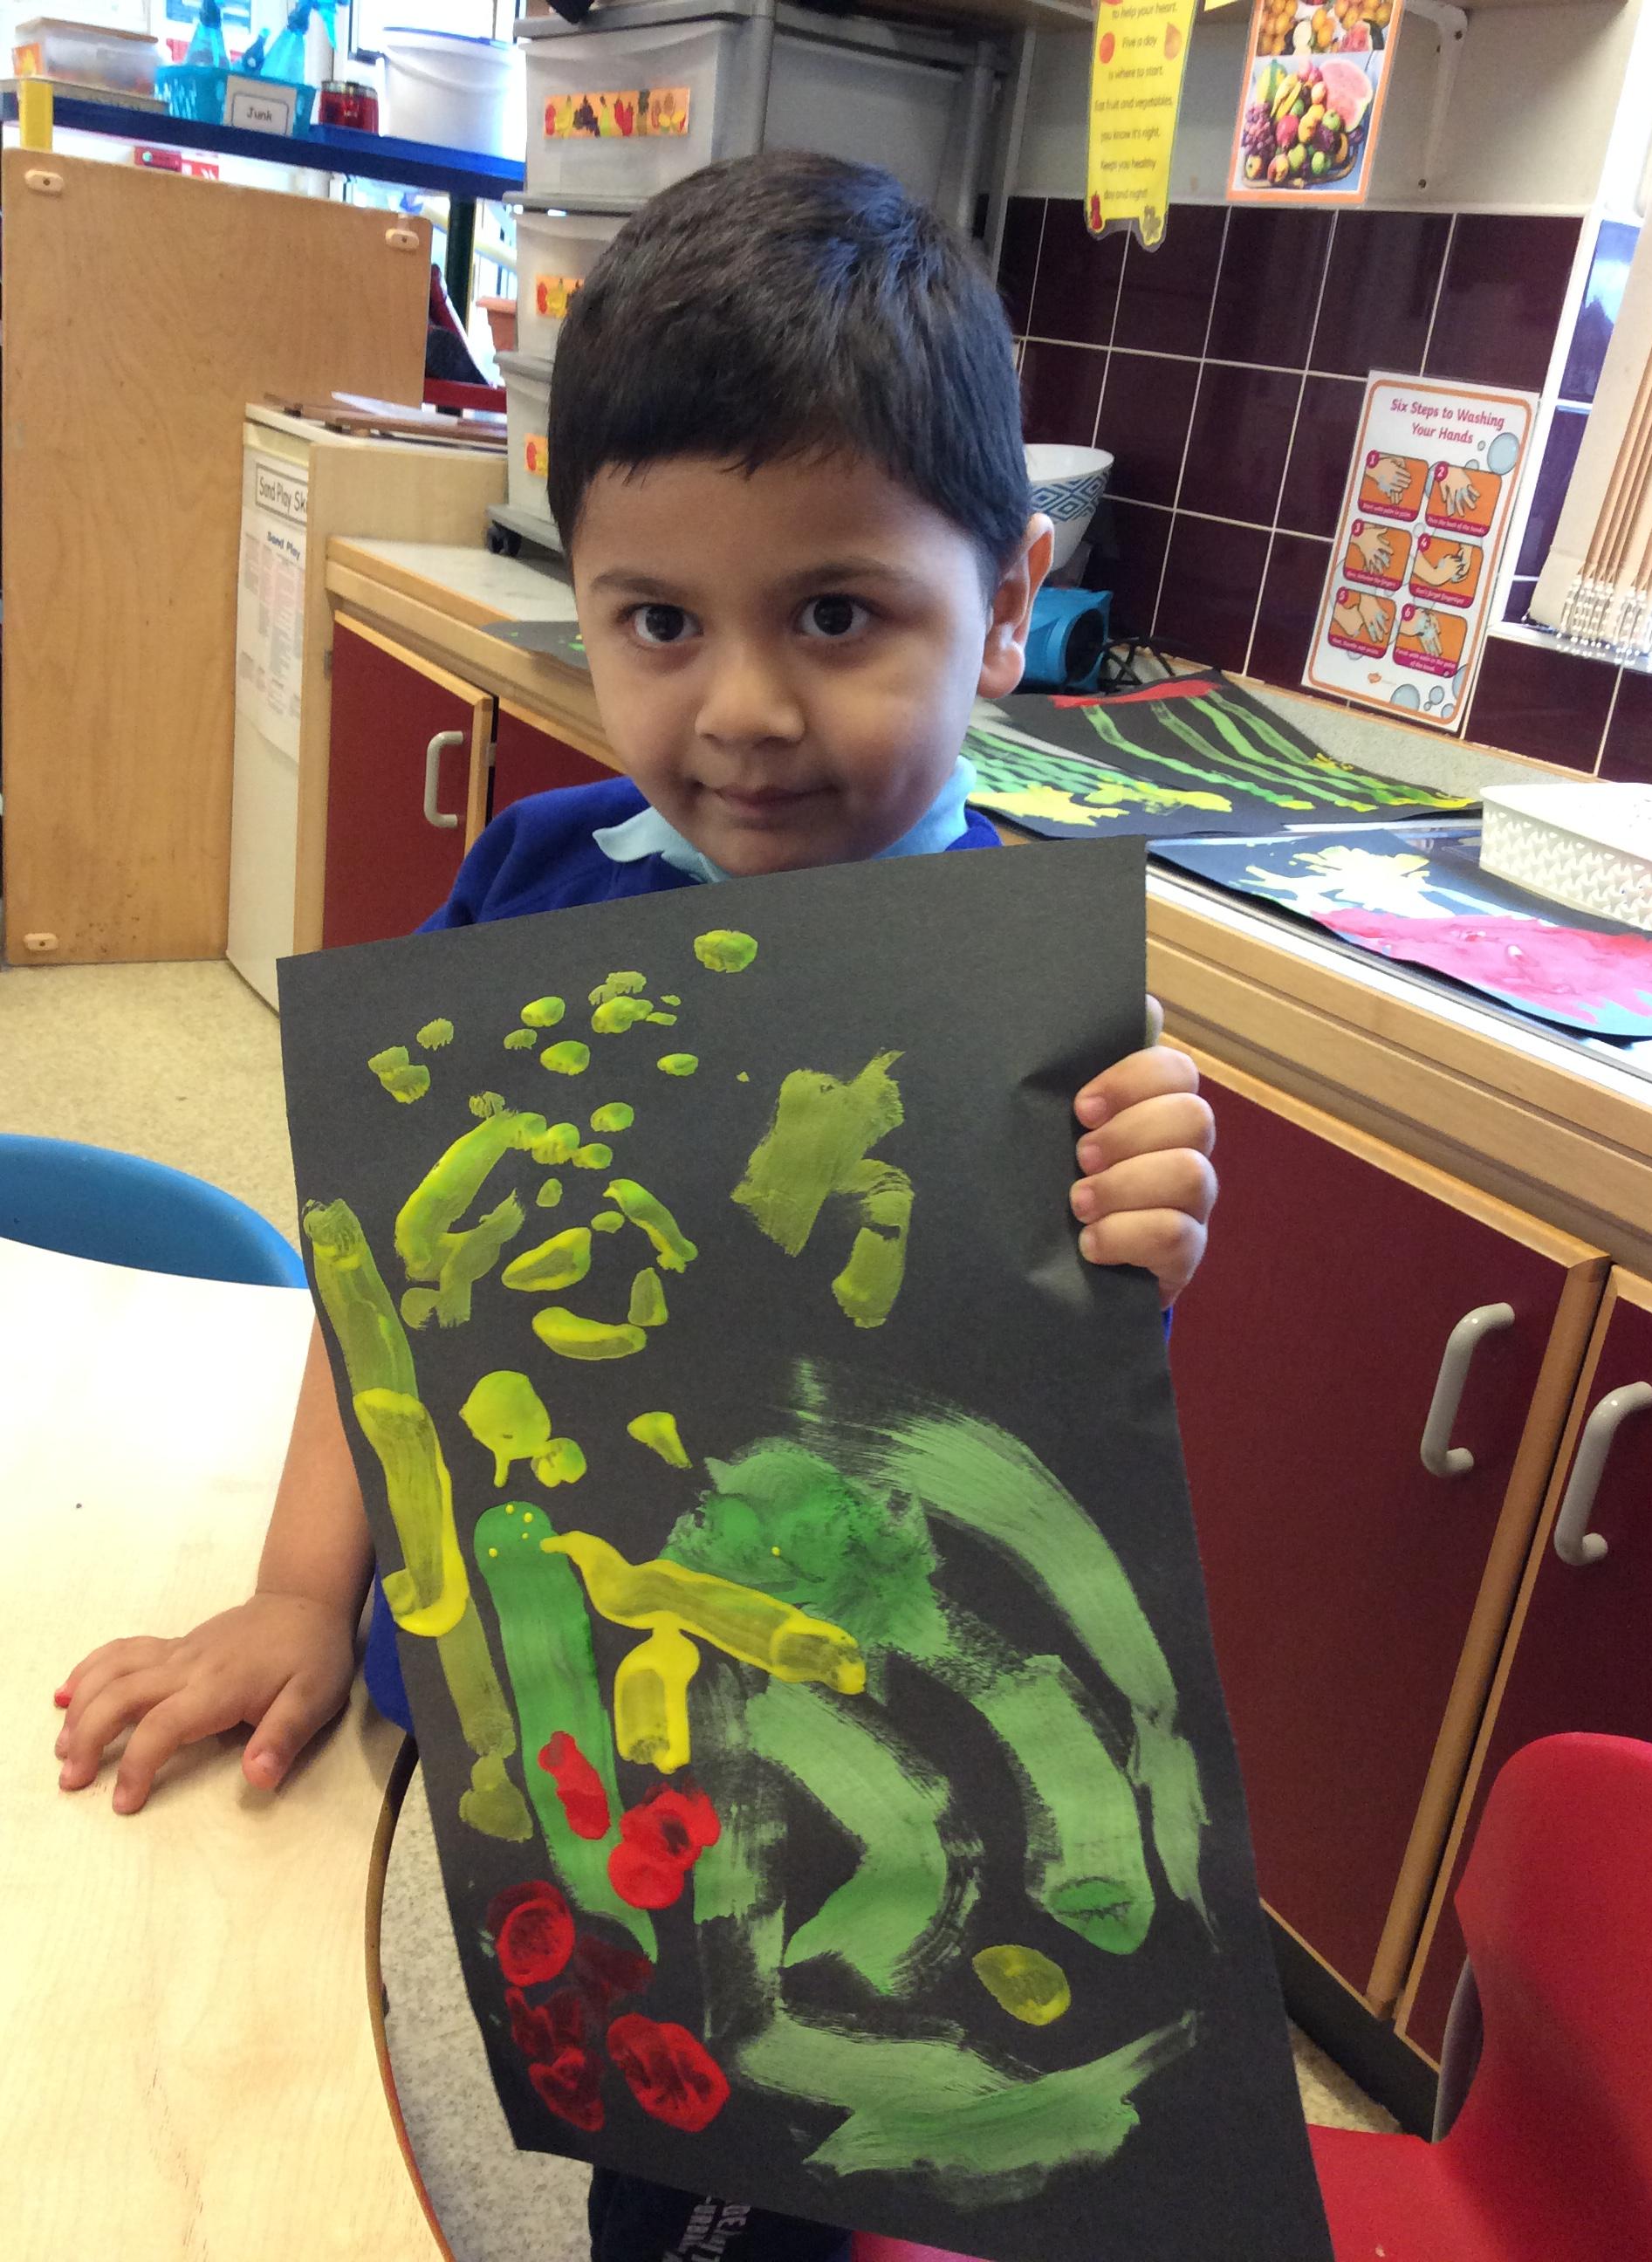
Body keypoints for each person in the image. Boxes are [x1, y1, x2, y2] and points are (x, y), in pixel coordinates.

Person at [54, 152, 1218, 2262]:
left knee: (775, 2160)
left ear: (1008, 603)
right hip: (567, 1693)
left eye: (836, 615)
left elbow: (1057, 1425)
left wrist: (1146, 1229)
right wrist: (305, 1591)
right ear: (578, 595)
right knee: (614, 2087)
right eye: (659, 623)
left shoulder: (1033, 1006)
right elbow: (388, 1296)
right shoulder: (538, 887)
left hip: (839, 1744)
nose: (743, 711)